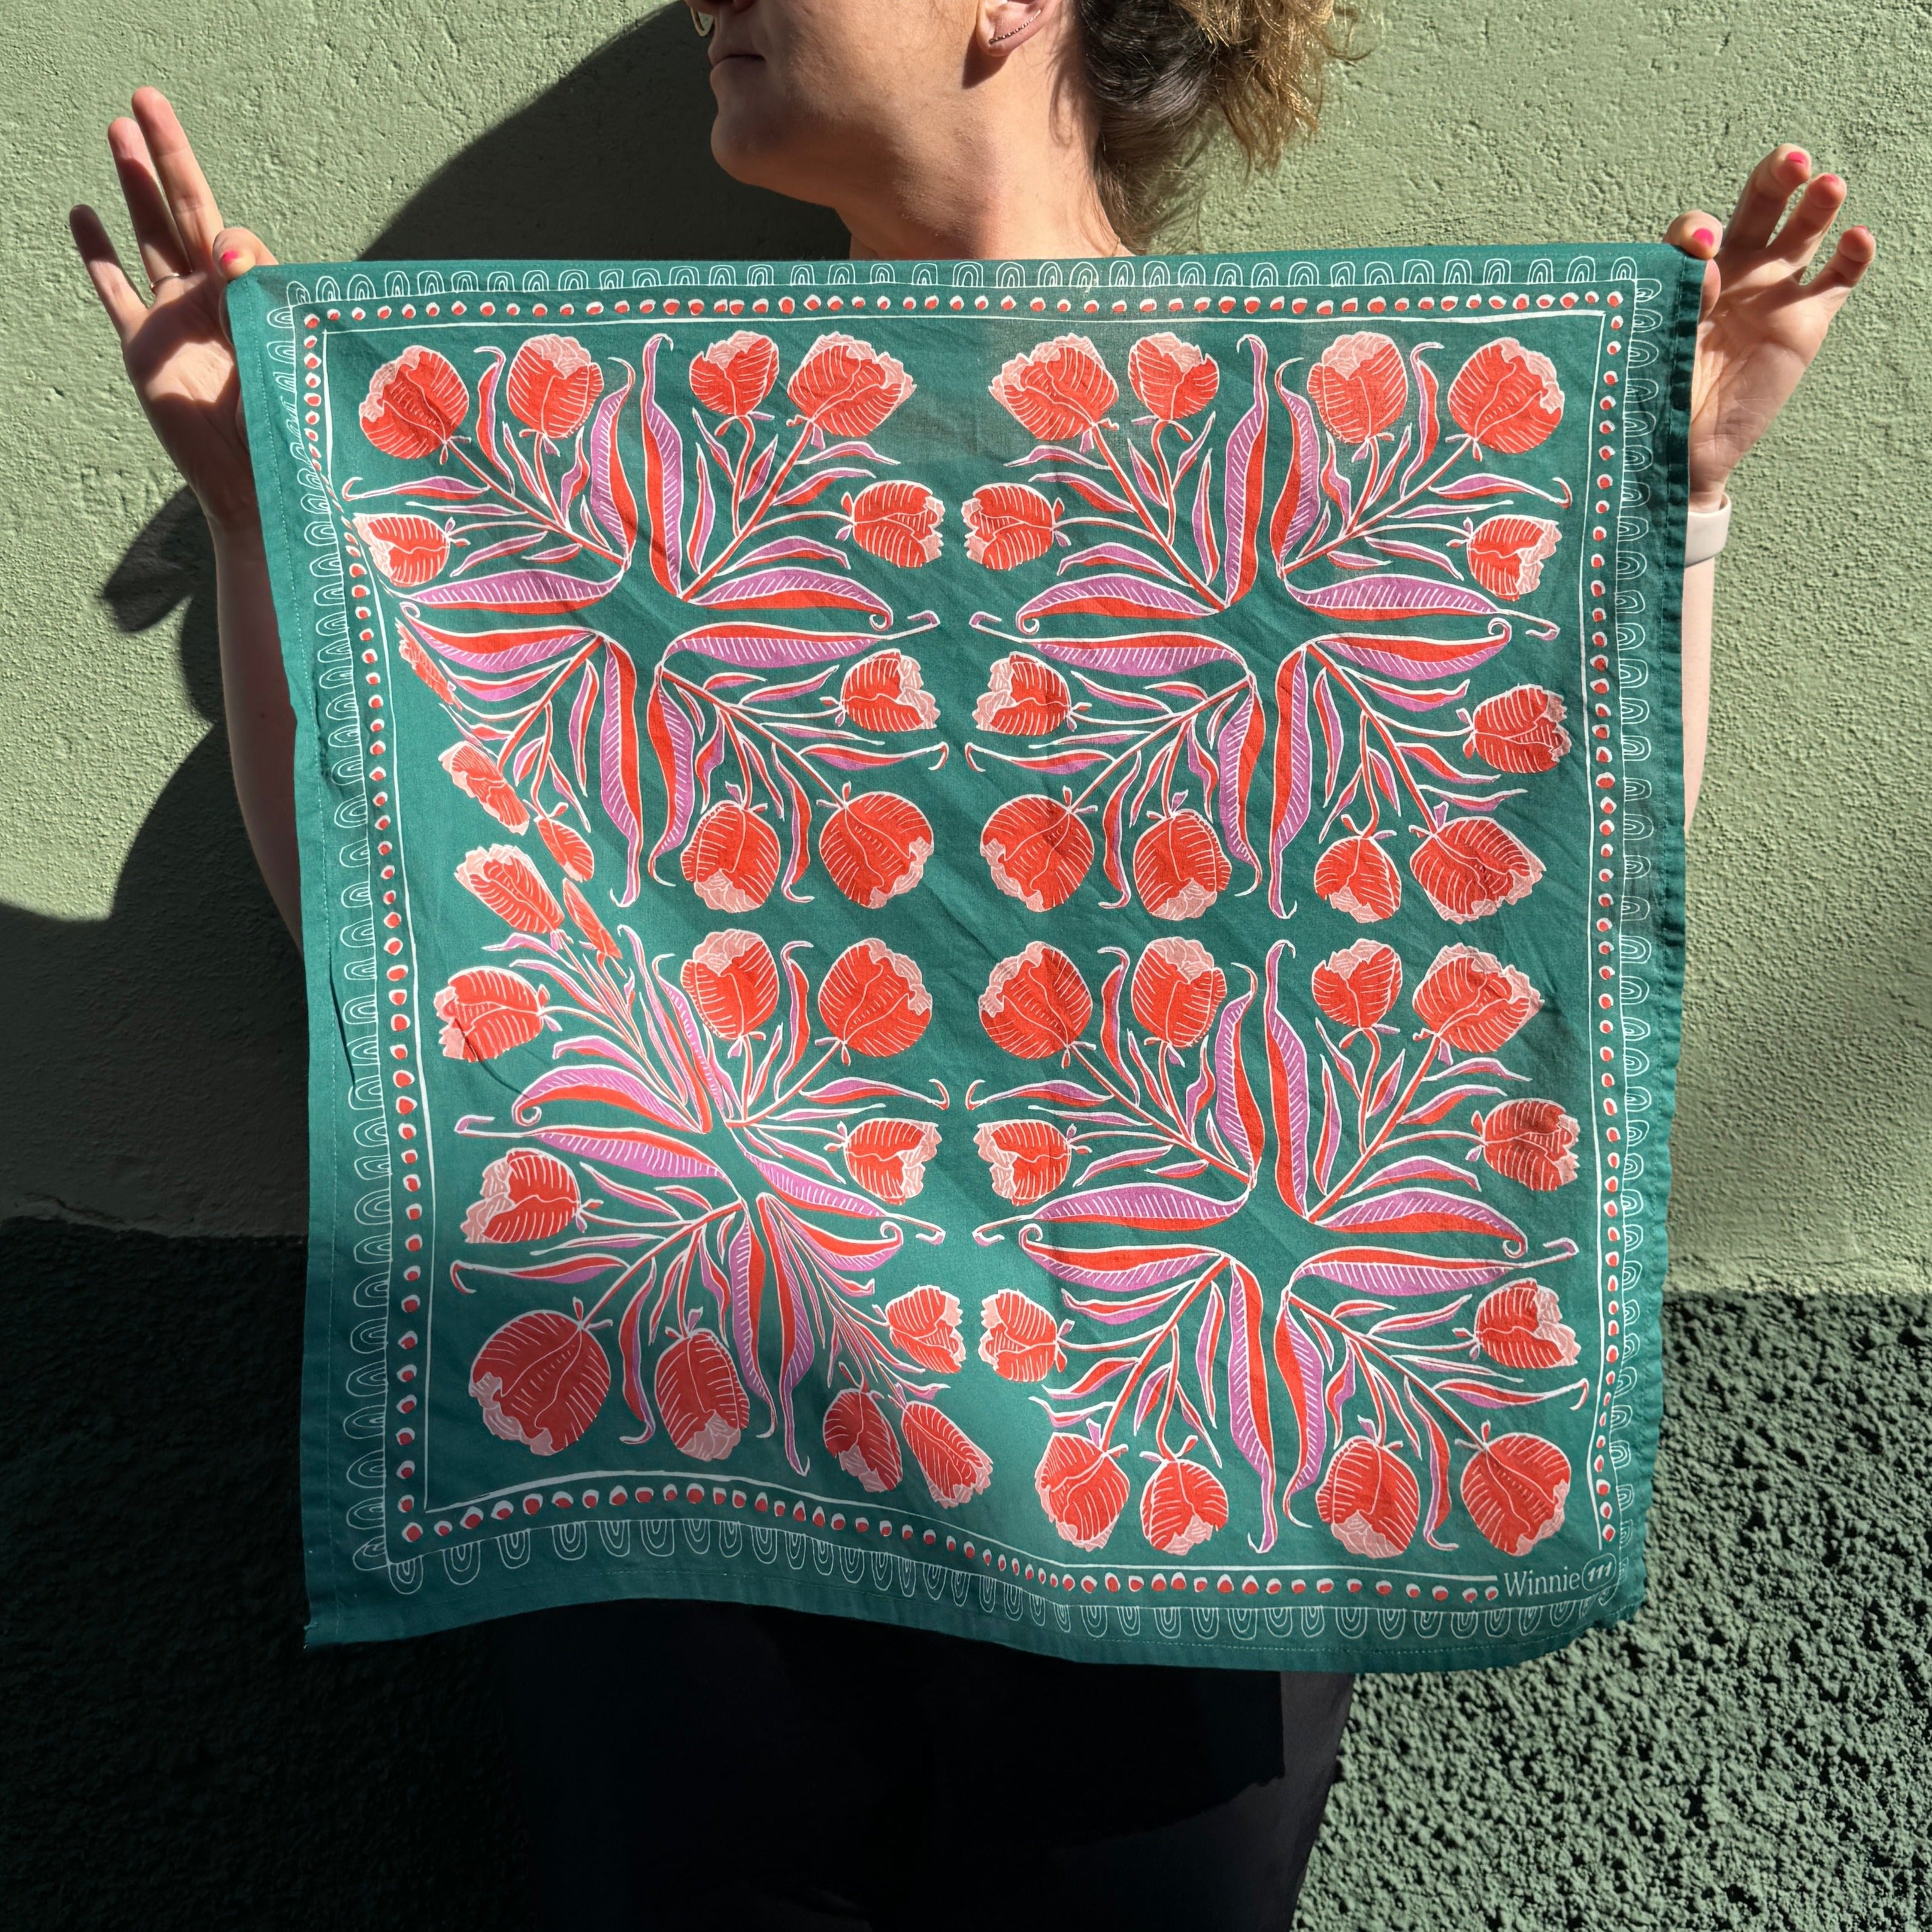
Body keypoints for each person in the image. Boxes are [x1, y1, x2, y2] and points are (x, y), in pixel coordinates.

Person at [68, 4, 1872, 1925]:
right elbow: (410, 944)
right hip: (702, 1462)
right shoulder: (642, 468)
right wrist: (269, 517)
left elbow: (1518, 926)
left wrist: (1662, 506)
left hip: (1190, 1477)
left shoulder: (1309, 449)